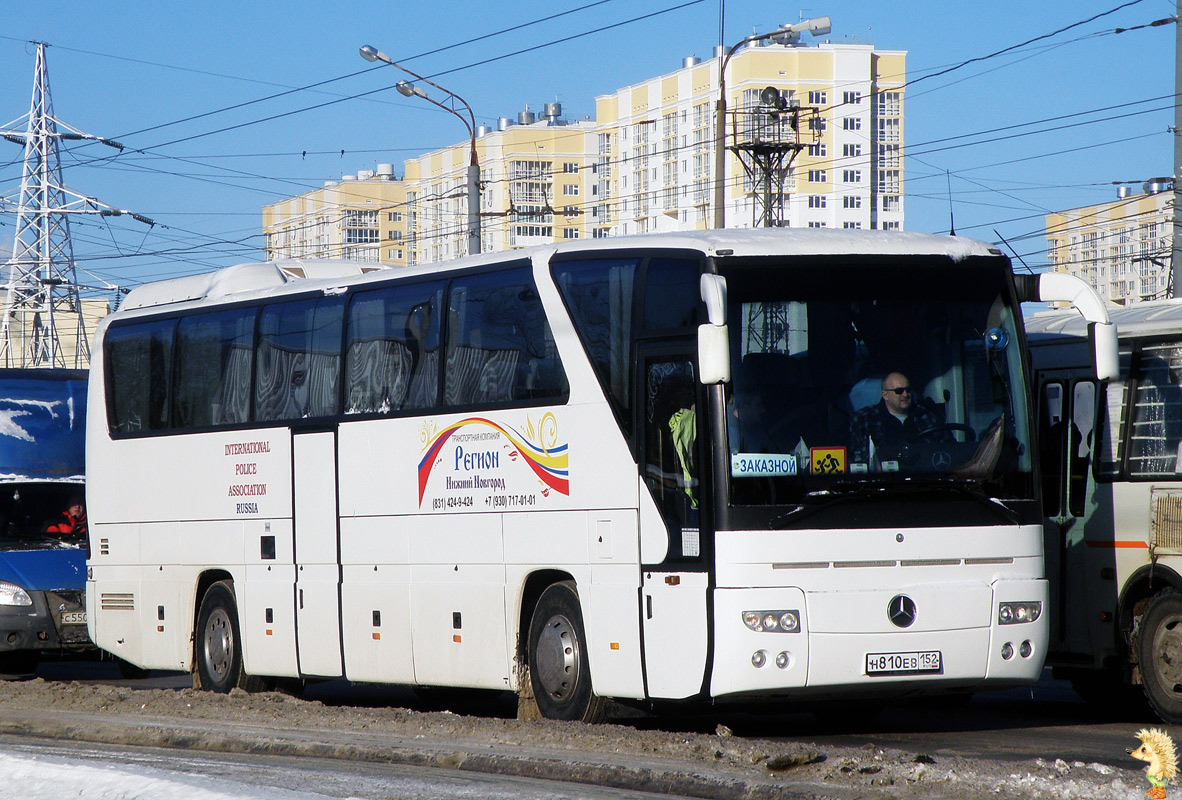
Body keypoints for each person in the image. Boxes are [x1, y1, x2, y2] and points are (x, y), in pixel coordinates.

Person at [848, 372, 943, 467]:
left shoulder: (926, 416)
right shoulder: (864, 419)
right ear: (885, 395)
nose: (905, 394)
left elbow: (949, 449)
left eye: (908, 390)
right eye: (899, 391)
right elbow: (849, 455)